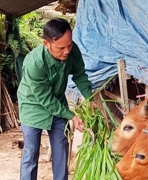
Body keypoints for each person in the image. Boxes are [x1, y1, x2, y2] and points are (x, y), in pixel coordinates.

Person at [17, 17, 92, 180]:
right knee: (31, 153)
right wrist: (71, 116)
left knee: (61, 150)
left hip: (57, 104)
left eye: (69, 45)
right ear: (46, 43)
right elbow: (45, 99)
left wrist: (90, 98)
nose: (67, 51)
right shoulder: (34, 63)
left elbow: (79, 74)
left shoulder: (72, 50)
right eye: (61, 48)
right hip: (33, 106)